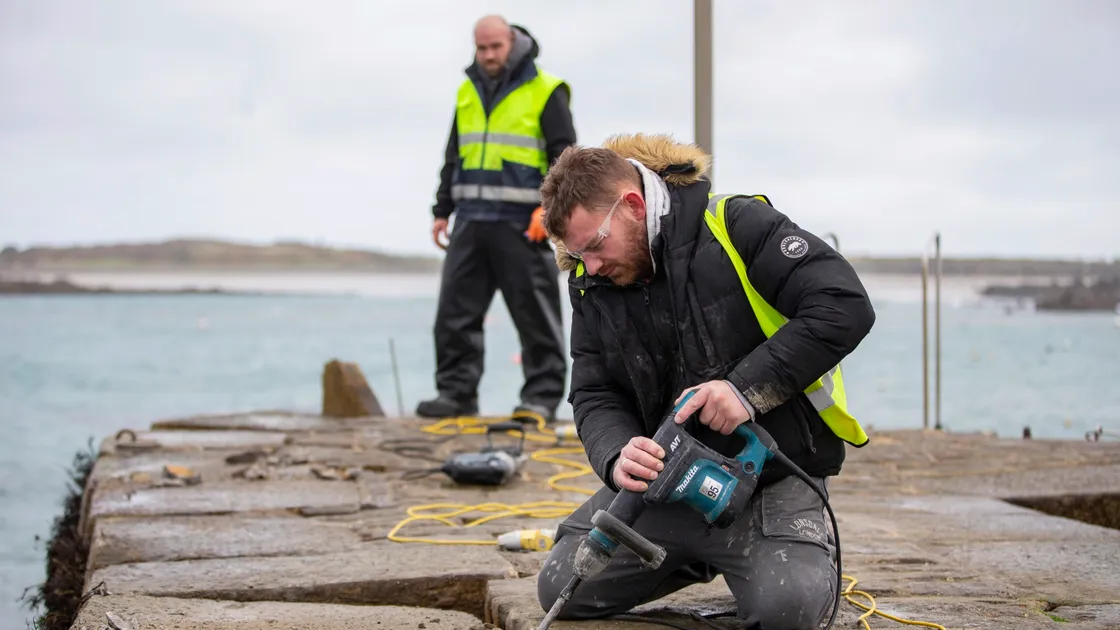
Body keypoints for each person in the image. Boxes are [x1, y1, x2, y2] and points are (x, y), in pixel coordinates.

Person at [535, 133, 877, 629]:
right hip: (668, 484)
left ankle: (761, 553)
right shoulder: (593, 278)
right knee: (561, 587)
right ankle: (693, 553)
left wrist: (745, 390)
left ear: (632, 205)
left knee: (789, 611)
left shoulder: (737, 225)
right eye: (577, 254)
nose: (591, 266)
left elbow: (843, 305)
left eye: (595, 246)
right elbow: (594, 390)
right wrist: (615, 453)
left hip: (773, 477)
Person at [419, 15, 576, 422]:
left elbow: (566, 157)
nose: (488, 55)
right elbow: (453, 156)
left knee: (536, 317)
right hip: (470, 220)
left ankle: (540, 401)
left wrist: (550, 208)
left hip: (523, 223)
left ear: (513, 43)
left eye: (495, 47)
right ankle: (456, 395)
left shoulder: (547, 90)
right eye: (481, 48)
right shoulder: (466, 92)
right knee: (455, 314)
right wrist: (441, 210)